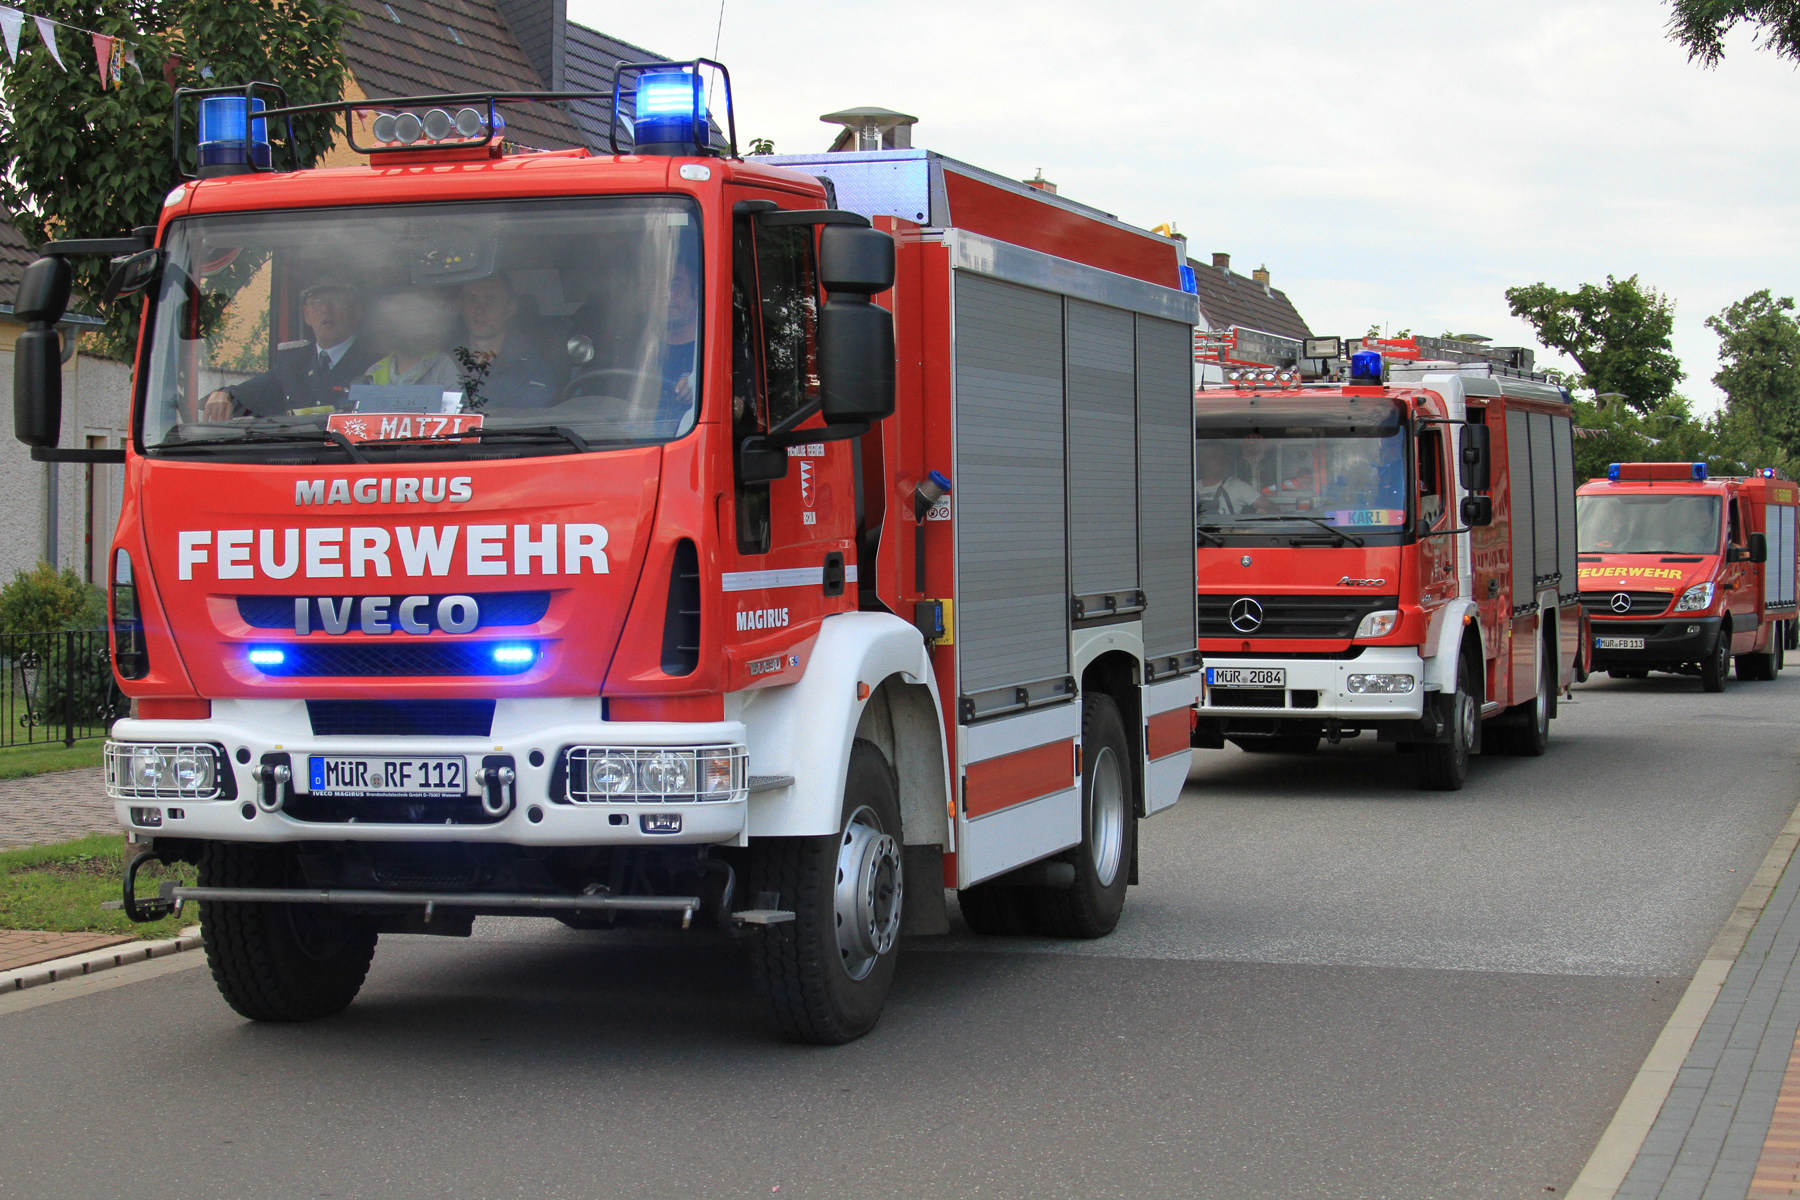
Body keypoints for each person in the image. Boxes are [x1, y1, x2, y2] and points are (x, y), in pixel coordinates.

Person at [201, 278, 378, 420]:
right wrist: (224, 395)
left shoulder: (376, 360)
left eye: (337, 301)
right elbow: (248, 396)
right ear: (307, 315)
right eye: (318, 302)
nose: (326, 309)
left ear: (356, 312)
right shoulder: (293, 362)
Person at [454, 275, 554, 408]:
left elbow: (525, 421)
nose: (480, 310)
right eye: (472, 300)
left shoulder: (532, 366)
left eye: (489, 301)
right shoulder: (444, 361)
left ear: (510, 309)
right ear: (461, 307)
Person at [356, 289, 462, 392]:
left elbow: (460, 407)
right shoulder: (375, 372)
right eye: (398, 320)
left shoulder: (442, 365)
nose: (407, 327)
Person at [1196, 441, 1260, 517]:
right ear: (1202, 460)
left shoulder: (1237, 486)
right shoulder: (1192, 487)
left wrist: (1253, 527)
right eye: (1212, 456)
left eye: (1221, 457)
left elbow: (1271, 508)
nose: (1218, 460)